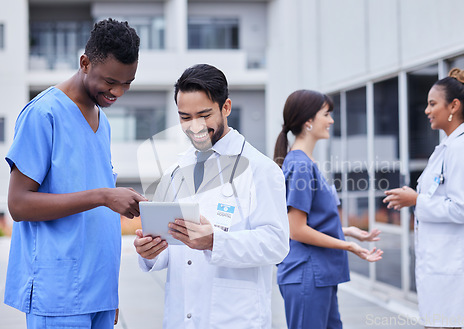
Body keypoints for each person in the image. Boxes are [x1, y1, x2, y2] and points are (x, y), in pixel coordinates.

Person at [4, 18, 146, 329]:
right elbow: (18, 205)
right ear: (84, 63)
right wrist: (104, 195)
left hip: (99, 292)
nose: (118, 92)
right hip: (58, 295)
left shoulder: (101, 120)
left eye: (127, 83)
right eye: (110, 81)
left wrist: (110, 295)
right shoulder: (43, 114)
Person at [133, 64, 290, 329]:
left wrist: (215, 242)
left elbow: (276, 244)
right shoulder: (174, 172)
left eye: (204, 115)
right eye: (185, 117)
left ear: (225, 107)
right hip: (181, 318)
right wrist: (150, 252)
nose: (195, 127)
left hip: (235, 319)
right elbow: (171, 247)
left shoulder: (261, 169)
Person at [383, 68, 464, 328]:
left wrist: (416, 201)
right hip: (443, 267)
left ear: (454, 106)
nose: (426, 110)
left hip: (454, 270)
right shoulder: (449, 147)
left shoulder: (460, 150)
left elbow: (461, 209)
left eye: (432, 104)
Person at [273, 89, 383, 329]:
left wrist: (348, 230)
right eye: (327, 114)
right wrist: (348, 245)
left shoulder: (305, 162)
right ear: (309, 121)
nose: (331, 120)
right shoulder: (300, 165)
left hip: (318, 277)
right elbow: (296, 229)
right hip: (307, 276)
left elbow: (308, 222)